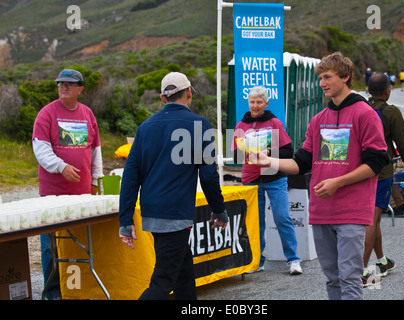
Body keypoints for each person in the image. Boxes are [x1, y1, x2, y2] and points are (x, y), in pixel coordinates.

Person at [250, 52, 390, 300]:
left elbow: (377, 161)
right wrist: (269, 161)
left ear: (345, 77)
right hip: (321, 211)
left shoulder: (365, 113)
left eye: (328, 77)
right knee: (333, 279)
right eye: (320, 78)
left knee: (350, 278)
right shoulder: (318, 120)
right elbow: (301, 163)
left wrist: (338, 182)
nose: (322, 83)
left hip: (352, 211)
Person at [118, 72, 229, 300]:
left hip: (153, 211)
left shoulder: (144, 128)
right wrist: (219, 210)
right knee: (163, 281)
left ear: (162, 97)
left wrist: (126, 219)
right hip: (176, 213)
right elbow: (208, 176)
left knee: (183, 273)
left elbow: (130, 177)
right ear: (189, 92)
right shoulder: (199, 124)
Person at [32, 68, 103, 299]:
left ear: (80, 89)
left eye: (69, 84)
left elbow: (95, 151)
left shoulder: (87, 114)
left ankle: (78, 290)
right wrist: (61, 166)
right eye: (60, 83)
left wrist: (95, 180)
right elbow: (40, 149)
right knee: (50, 246)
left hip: (81, 194)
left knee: (79, 244)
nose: (63, 86)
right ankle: (52, 294)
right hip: (52, 194)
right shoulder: (46, 113)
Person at [231, 86, 302, 275]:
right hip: (251, 179)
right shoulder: (240, 126)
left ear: (266, 103)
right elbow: (237, 156)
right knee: (256, 222)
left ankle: (293, 259)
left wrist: (268, 153)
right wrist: (245, 151)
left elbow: (289, 152)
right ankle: (257, 261)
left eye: (259, 102)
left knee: (282, 218)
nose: (255, 106)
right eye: (252, 102)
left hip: (274, 177)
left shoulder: (274, 123)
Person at [364, 73, 404, 286]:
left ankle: (382, 261)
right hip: (382, 172)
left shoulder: (361, 108)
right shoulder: (390, 112)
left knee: (373, 219)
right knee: (371, 220)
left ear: (368, 90)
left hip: (361, 171)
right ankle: (363, 272)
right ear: (387, 90)